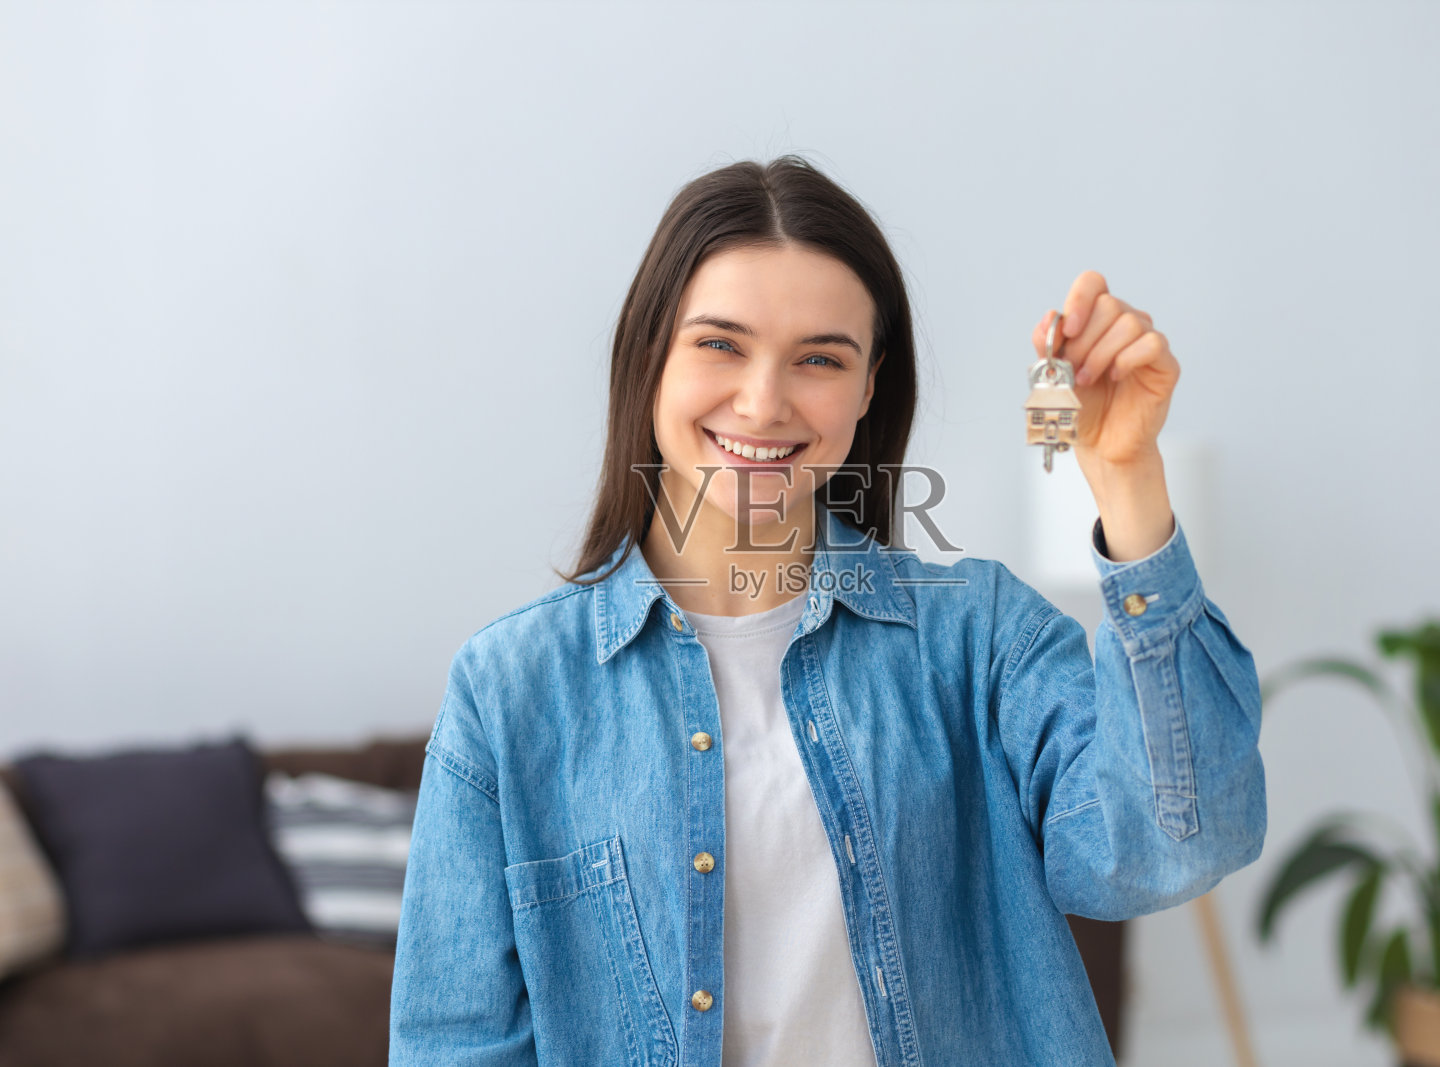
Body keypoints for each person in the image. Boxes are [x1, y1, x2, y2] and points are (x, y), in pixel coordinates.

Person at [389, 154, 1267, 1066]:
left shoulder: (981, 641)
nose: (764, 402)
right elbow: (455, 1046)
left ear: (869, 386)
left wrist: (1126, 478)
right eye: (720, 343)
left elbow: (1174, 847)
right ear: (650, 352)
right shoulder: (509, 692)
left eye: (819, 358)